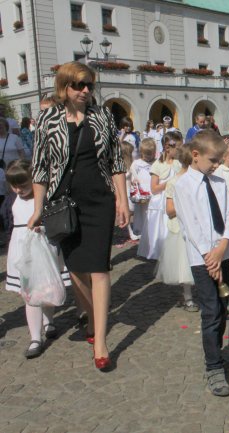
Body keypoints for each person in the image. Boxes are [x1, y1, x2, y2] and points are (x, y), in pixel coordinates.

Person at [29, 61, 129, 371]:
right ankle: (89, 314)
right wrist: (37, 208)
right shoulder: (48, 119)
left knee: (99, 269)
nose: (86, 91)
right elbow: (40, 167)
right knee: (75, 269)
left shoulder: (102, 117)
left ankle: (99, 340)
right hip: (62, 205)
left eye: (89, 85)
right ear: (64, 87)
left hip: (99, 202)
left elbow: (116, 161)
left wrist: (122, 200)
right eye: (79, 85)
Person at [174, 129, 229, 397]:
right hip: (201, 259)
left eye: (219, 161)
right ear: (196, 155)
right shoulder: (182, 186)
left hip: (222, 254)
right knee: (210, 311)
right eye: (213, 160)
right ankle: (214, 366)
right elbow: (191, 224)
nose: (217, 165)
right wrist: (208, 255)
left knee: (222, 307)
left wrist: (222, 246)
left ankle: (217, 348)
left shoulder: (220, 183)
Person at [4, 159, 71, 358]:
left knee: (47, 287)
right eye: (14, 186)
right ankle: (35, 337)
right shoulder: (13, 199)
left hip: (43, 247)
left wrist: (43, 227)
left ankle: (49, 322)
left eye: (22, 186)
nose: (17, 190)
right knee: (29, 294)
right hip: (22, 250)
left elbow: (53, 220)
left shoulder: (42, 197)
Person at [155, 143, 198, 312]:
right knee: (184, 265)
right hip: (180, 229)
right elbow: (170, 210)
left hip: (196, 227)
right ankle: (188, 298)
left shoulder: (197, 179)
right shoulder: (173, 182)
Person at [137, 131, 181, 260]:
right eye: (178, 148)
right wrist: (170, 182)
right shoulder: (158, 165)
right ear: (168, 148)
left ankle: (174, 250)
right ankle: (158, 250)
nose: (180, 151)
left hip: (175, 198)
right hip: (161, 201)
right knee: (161, 227)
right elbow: (154, 188)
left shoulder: (178, 163)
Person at [130, 138, 156, 240]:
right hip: (142, 191)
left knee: (151, 211)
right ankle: (140, 230)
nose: (149, 157)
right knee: (141, 212)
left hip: (152, 190)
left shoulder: (156, 162)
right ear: (141, 153)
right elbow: (133, 173)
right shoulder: (137, 163)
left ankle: (152, 229)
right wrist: (134, 179)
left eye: (151, 154)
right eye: (146, 154)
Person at [120, 141, 140, 243]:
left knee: (135, 210)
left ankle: (136, 229)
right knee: (128, 211)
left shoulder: (132, 164)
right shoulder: (120, 166)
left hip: (132, 190)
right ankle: (130, 231)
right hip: (125, 191)